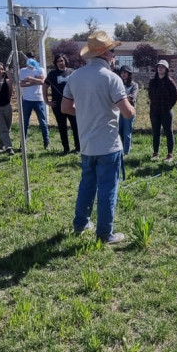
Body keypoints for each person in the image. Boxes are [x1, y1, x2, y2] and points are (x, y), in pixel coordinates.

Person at [61, 31, 135, 245]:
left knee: (87, 184)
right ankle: (105, 233)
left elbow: (66, 107)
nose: (114, 56)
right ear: (105, 54)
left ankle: (81, 223)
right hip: (108, 144)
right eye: (113, 52)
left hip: (86, 144)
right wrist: (132, 107)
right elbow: (127, 112)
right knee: (108, 188)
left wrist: (86, 112)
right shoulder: (112, 79)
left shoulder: (75, 76)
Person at [46, 54, 79, 154]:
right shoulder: (52, 74)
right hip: (57, 105)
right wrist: (46, 101)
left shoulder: (72, 72)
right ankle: (66, 149)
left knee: (75, 126)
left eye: (62, 60)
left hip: (71, 105)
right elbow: (44, 86)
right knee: (62, 127)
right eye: (58, 61)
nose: (60, 63)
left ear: (65, 61)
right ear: (56, 63)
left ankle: (78, 148)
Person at [148, 59, 177, 162]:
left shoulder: (170, 82)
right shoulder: (152, 82)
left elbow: (175, 97)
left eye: (162, 67)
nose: (160, 68)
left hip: (166, 111)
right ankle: (155, 153)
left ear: (166, 69)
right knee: (156, 132)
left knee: (168, 132)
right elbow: (150, 95)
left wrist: (168, 107)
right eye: (159, 66)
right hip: (154, 111)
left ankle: (170, 154)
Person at [18, 57, 50, 150]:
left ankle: (46, 142)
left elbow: (42, 82)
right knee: (25, 122)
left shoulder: (40, 70)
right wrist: (35, 81)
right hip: (26, 99)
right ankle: (23, 144)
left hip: (38, 99)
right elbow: (22, 84)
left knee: (43, 122)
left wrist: (30, 79)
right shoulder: (23, 71)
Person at [118, 65, 139, 158]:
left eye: (125, 72)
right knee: (118, 131)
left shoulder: (134, 85)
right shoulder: (118, 83)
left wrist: (120, 98)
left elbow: (132, 97)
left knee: (127, 132)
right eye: (122, 72)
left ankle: (126, 152)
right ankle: (119, 150)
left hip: (129, 111)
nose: (123, 74)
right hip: (118, 110)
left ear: (129, 74)